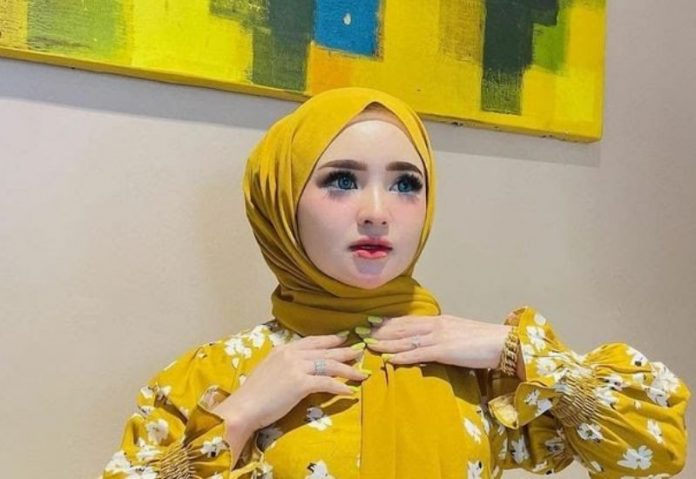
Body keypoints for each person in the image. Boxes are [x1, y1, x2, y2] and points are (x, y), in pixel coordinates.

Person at [98, 87, 690, 479]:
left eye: (406, 184)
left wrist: (516, 350)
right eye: (341, 181)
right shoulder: (217, 377)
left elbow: (656, 447)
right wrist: (240, 417)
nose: (378, 212)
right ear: (281, 202)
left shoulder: (476, 373)